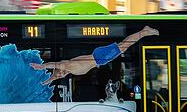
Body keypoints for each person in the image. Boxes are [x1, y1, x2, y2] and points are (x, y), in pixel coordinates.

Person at [31, 26, 159, 84]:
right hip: (100, 58)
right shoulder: (69, 70)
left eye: (59, 73)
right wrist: (46, 81)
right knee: (123, 46)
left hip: (99, 57)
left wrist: (42, 67)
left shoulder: (66, 65)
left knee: (124, 45)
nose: (60, 75)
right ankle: (143, 32)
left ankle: (144, 32)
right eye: (59, 75)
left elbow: (56, 65)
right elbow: (54, 76)